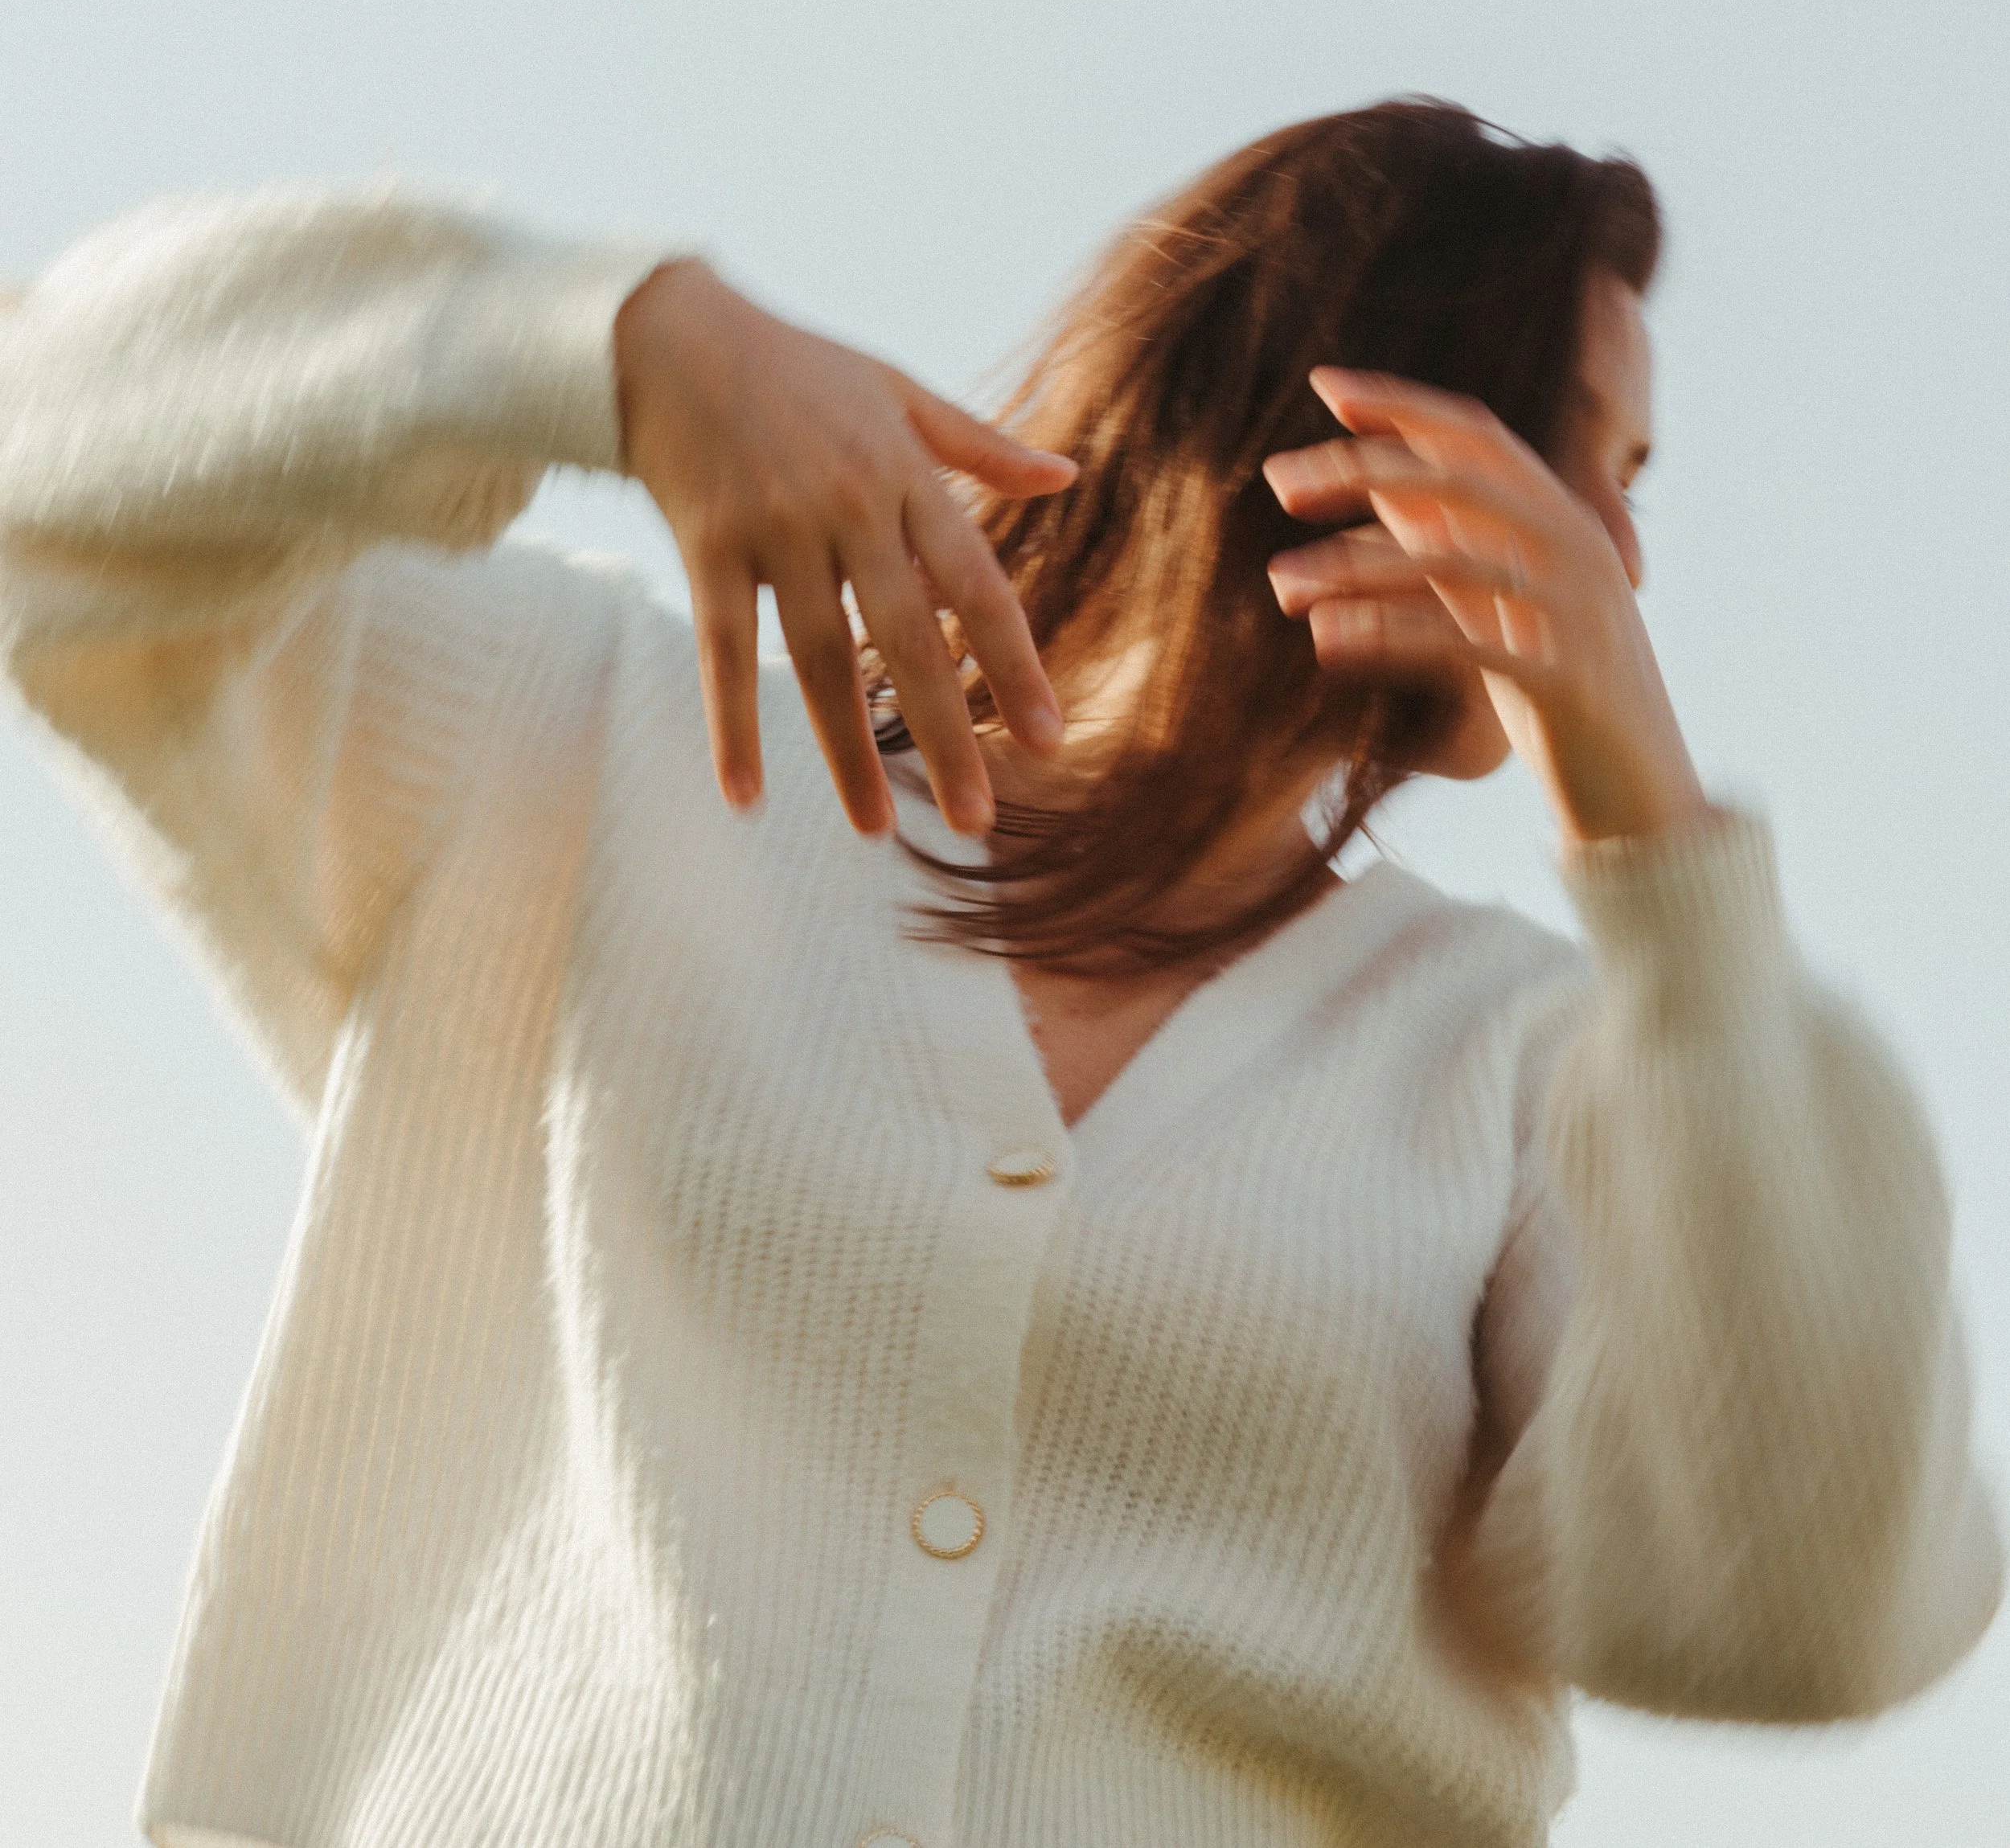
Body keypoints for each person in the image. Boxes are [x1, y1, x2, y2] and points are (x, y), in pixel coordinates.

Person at [0, 98, 1997, 1848]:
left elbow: (1790, 1614)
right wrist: (614, 339)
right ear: (1388, 420)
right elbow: (42, 454)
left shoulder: (1531, 1054)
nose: (1620, 576)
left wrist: (1654, 844)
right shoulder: (590, 751)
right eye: (1601, 477)